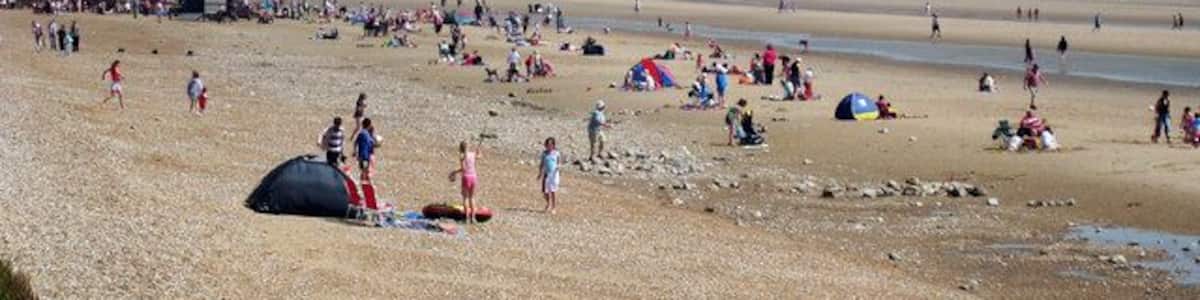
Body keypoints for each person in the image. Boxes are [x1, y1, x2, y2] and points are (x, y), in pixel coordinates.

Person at [448, 140, 483, 223]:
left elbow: (463, 169)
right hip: (473, 177)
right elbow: (480, 156)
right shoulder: (472, 154)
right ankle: (473, 218)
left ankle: (466, 218)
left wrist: (454, 172)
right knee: (472, 198)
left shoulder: (462, 156)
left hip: (466, 178)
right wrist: (479, 151)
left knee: (465, 198)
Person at [537, 137, 560, 214]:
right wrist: (540, 173)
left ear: (553, 145)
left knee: (553, 190)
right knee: (545, 191)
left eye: (550, 145)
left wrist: (558, 167)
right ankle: (548, 203)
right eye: (547, 145)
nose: (549, 146)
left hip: (554, 174)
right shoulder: (544, 154)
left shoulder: (556, 153)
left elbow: (558, 162)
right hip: (546, 174)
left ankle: (554, 207)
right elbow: (542, 164)